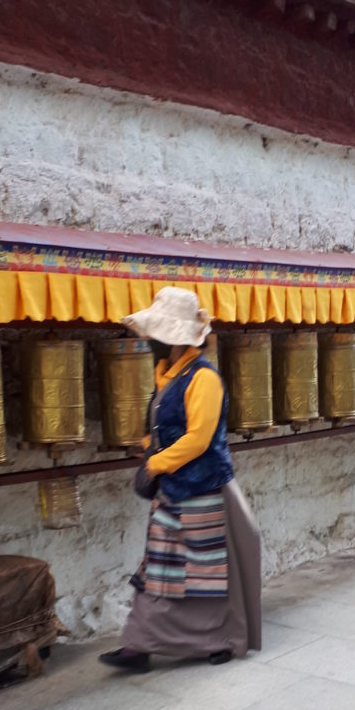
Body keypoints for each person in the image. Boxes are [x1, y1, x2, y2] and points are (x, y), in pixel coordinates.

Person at [100, 287, 261, 672]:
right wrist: (148, 445)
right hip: (172, 490)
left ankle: (220, 639)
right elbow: (164, 425)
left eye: (155, 335)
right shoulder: (168, 376)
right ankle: (139, 644)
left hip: (202, 489)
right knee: (160, 567)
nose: (150, 342)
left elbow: (199, 438)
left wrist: (156, 464)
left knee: (205, 573)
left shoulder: (204, 379)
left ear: (172, 339)